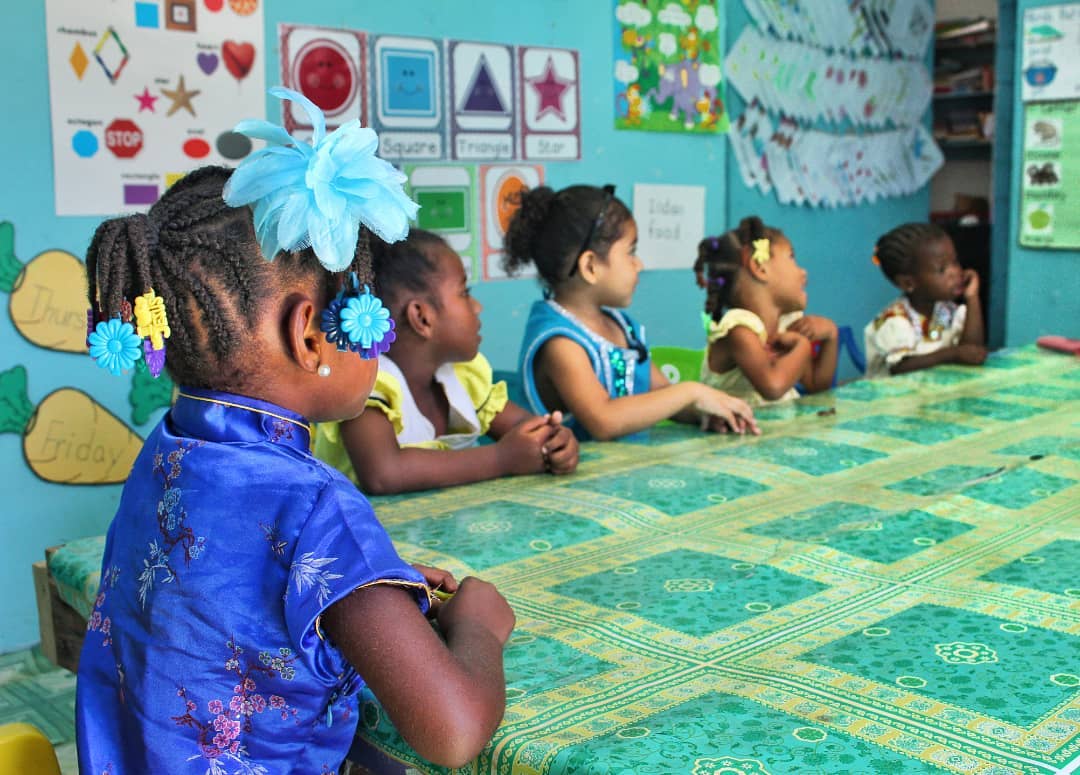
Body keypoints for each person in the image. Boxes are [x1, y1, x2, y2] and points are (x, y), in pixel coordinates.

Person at [76, 88, 514, 774]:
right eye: (365, 305)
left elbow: (230, 596)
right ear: (309, 333)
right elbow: (453, 731)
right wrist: (478, 630)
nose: (382, 337)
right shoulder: (317, 504)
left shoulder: (167, 451)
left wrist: (368, 589)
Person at [315, 229, 578, 494]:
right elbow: (384, 473)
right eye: (465, 292)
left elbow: (521, 424)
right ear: (422, 317)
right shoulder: (368, 384)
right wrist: (502, 458)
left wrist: (552, 441)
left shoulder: (462, 376)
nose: (478, 307)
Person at [503, 184, 759, 441]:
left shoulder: (622, 327)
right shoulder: (560, 343)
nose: (639, 264)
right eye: (631, 252)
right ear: (590, 266)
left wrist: (705, 412)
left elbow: (661, 397)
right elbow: (604, 420)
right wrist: (693, 392)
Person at [696, 217, 838, 404]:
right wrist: (802, 346)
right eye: (791, 257)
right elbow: (773, 387)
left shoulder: (785, 324)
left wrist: (831, 336)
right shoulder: (739, 331)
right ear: (760, 268)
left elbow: (815, 385)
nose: (803, 272)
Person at [865, 222, 987, 377]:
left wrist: (972, 297)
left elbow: (972, 351)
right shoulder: (895, 321)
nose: (955, 272)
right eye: (942, 269)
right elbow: (900, 368)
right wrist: (952, 354)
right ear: (908, 283)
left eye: (955, 262)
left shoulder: (945, 312)